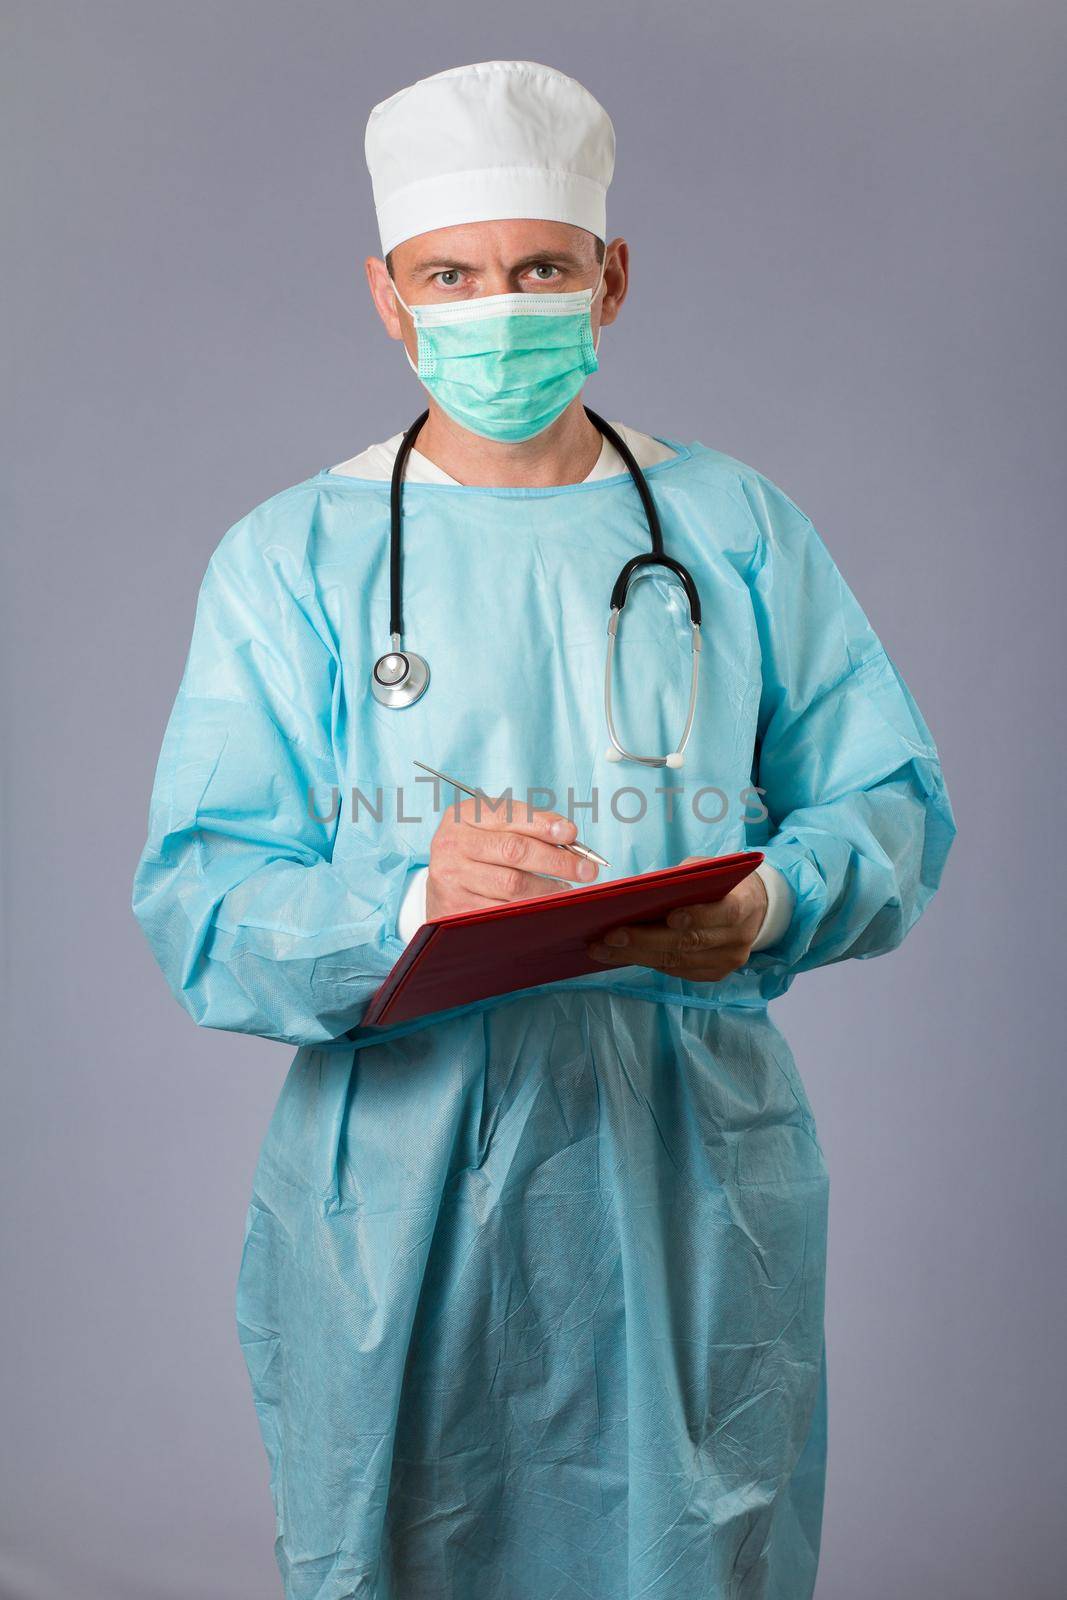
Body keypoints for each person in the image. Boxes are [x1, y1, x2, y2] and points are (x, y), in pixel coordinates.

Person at [133, 59, 955, 1600]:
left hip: (687, 1172)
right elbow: (204, 895)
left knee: (692, 1552)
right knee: (397, 1547)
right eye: (451, 276)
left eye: (536, 271)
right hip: (400, 1184)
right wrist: (401, 902)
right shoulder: (290, 561)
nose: (492, 310)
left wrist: (768, 906)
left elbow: (889, 798)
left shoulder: (734, 530)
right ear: (387, 295)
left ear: (610, 278)